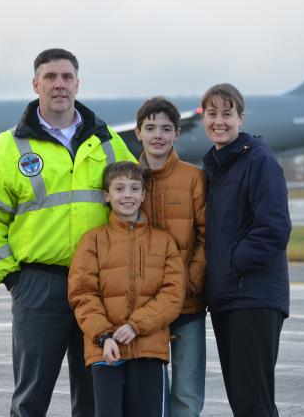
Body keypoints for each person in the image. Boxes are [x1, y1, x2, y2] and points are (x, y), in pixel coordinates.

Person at [0, 48, 136, 417]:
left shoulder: (109, 141)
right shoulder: (7, 148)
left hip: (98, 287)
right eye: (50, 77)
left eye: (66, 77)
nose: (58, 84)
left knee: (95, 396)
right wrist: (13, 278)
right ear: (36, 84)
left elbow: (133, 203)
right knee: (31, 397)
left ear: (77, 83)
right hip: (38, 286)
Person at [201, 83, 292, 417]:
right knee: (244, 401)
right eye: (212, 114)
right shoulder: (219, 165)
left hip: (252, 296)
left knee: (253, 402)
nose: (219, 121)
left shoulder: (258, 160)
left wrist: (231, 266)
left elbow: (274, 228)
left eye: (227, 113)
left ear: (241, 117)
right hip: (229, 297)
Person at [68, 161, 185, 417]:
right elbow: (83, 293)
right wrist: (103, 336)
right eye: (119, 189)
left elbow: (173, 295)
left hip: (149, 349)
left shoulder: (163, 242)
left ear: (144, 194)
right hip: (105, 351)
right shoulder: (93, 241)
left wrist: (136, 325)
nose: (128, 195)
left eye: (134, 188)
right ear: (106, 196)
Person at [135, 97, 207, 416]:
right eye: (150, 128)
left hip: (188, 303)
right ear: (138, 133)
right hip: (144, 307)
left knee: (187, 394)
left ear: (177, 133)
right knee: (150, 396)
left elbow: (207, 236)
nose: (158, 135)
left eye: (166, 128)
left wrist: (188, 283)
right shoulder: (127, 180)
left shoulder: (194, 178)